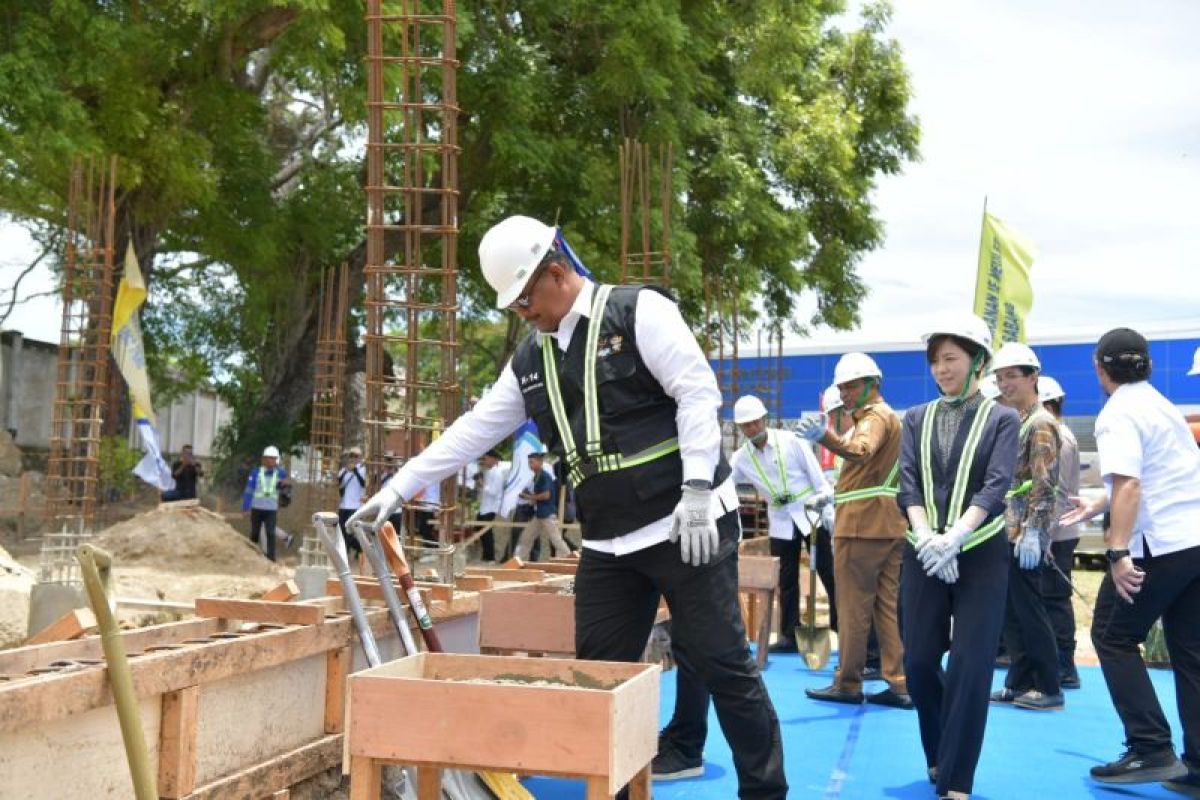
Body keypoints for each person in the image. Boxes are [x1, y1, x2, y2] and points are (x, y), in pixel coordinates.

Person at [349, 215, 786, 799]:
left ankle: (765, 793)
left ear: (557, 273)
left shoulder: (638, 313)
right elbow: (475, 429)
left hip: (687, 522)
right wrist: (395, 490)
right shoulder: (531, 360)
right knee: (598, 683)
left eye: (524, 301)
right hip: (610, 544)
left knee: (722, 663)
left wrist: (700, 490)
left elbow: (697, 391)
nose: (520, 315)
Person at [1059, 327, 1200, 793]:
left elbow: (1133, 486)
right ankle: (1198, 765)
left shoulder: (1117, 413)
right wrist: (1098, 504)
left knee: (1112, 634)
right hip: (1194, 541)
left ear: (1100, 368)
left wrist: (1117, 552)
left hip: (1158, 545)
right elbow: (1152, 476)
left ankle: (1150, 746)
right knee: (1191, 652)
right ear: (1149, 365)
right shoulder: (1161, 404)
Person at [897, 314, 1019, 800]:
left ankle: (956, 779)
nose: (941, 369)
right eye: (935, 361)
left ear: (977, 362)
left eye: (950, 358)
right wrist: (928, 536)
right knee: (921, 660)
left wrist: (957, 537)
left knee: (971, 666)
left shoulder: (1002, 419)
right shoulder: (916, 418)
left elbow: (997, 484)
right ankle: (938, 752)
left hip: (981, 556)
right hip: (923, 553)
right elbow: (908, 481)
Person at [798, 352, 912, 709]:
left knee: (852, 609)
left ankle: (848, 682)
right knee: (885, 609)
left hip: (862, 527)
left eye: (851, 386)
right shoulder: (887, 416)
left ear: (871, 385)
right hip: (887, 524)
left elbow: (860, 451)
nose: (845, 393)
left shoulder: (874, 417)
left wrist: (827, 438)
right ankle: (899, 682)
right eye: (842, 387)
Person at [988, 342, 1065, 711]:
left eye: (1012, 377)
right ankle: (1018, 681)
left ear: (1033, 377)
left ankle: (1049, 685)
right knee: (1011, 612)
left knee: (1031, 610)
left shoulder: (1041, 423)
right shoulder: (1014, 420)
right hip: (1007, 528)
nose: (1005, 384)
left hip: (1024, 532)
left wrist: (1036, 530)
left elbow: (1044, 481)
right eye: (1000, 378)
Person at [729, 394, 832, 653]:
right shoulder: (741, 457)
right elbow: (725, 484)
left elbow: (817, 476)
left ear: (764, 419)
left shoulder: (791, 441)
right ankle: (788, 635)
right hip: (780, 519)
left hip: (810, 512)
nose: (752, 428)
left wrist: (828, 508)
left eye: (755, 422)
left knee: (828, 572)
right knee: (785, 578)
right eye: (746, 425)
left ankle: (842, 628)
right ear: (740, 428)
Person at [1038, 375, 1083, 689]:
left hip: (1058, 532)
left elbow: (1057, 490)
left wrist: (1046, 536)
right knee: (1050, 598)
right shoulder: (1057, 433)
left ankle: (1065, 665)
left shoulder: (1058, 438)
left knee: (1055, 598)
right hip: (1059, 529)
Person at [513, 451, 570, 561]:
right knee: (526, 537)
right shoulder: (537, 476)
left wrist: (529, 497)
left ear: (540, 462)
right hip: (540, 513)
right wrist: (530, 497)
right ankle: (517, 560)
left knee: (556, 539)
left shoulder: (544, 476)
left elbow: (546, 495)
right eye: (529, 463)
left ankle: (570, 557)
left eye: (532, 462)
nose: (530, 465)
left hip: (547, 513)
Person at [241, 445, 291, 562]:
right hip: (257, 508)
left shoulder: (280, 473)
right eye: (268, 458)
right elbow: (249, 491)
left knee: (270, 532)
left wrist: (286, 485)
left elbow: (288, 484)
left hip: (271, 509)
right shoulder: (256, 473)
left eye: (273, 458)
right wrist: (245, 507)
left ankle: (271, 558)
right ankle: (251, 557)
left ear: (276, 460)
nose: (270, 461)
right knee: (254, 533)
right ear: (263, 459)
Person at [475, 449, 508, 562]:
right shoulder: (488, 472)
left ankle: (490, 557)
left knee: (486, 531)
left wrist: (483, 485)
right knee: (479, 528)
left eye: (486, 458)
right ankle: (486, 555)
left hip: (491, 507)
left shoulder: (497, 473)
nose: (485, 461)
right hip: (484, 506)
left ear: (493, 459)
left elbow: (494, 491)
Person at [337, 447, 367, 559]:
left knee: (352, 530)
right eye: (351, 456)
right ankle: (350, 550)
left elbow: (363, 484)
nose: (353, 458)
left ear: (360, 458)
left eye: (356, 456)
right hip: (344, 505)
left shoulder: (363, 470)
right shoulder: (344, 470)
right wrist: (346, 471)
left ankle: (359, 548)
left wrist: (355, 471)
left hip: (356, 506)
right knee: (342, 530)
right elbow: (339, 484)